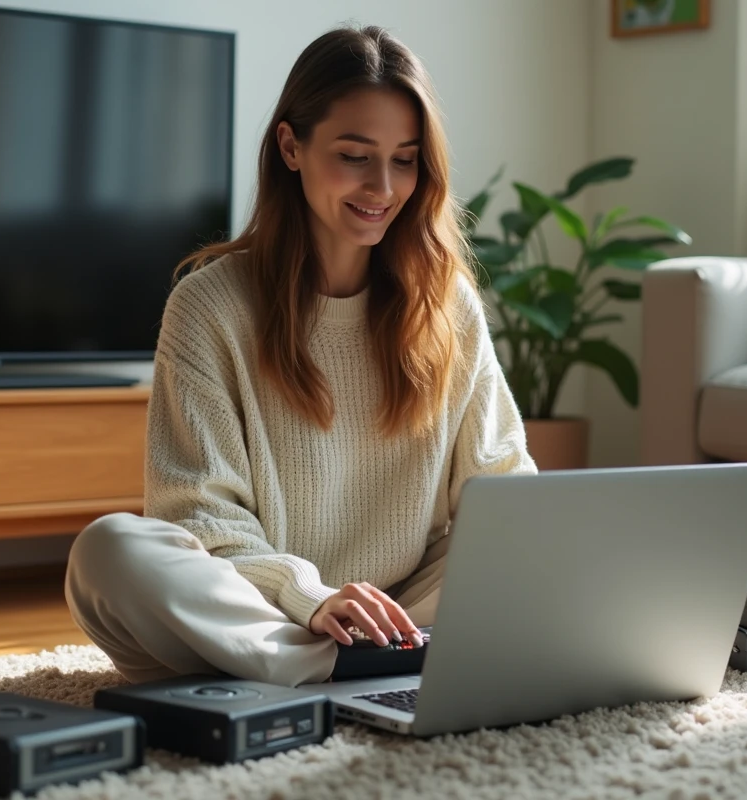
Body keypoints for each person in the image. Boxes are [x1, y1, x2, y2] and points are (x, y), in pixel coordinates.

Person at [65, 25, 535, 688]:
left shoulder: (446, 304)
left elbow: (503, 487)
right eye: (354, 155)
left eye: (405, 159)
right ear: (291, 145)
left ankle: (313, 668)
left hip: (402, 611)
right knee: (108, 553)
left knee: (535, 536)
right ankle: (356, 665)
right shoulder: (209, 307)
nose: (383, 186)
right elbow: (201, 517)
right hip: (261, 606)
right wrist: (311, 601)